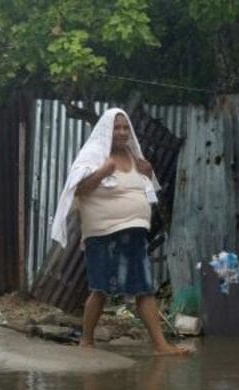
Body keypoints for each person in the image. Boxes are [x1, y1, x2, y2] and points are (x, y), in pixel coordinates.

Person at [50, 108, 189, 355]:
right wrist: (102, 172)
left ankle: (161, 345)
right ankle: (87, 340)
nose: (123, 132)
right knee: (100, 289)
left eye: (126, 128)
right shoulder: (93, 155)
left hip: (135, 233)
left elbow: (148, 190)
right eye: (117, 128)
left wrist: (147, 173)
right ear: (106, 130)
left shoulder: (134, 156)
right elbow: (78, 189)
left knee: (144, 289)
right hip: (103, 234)